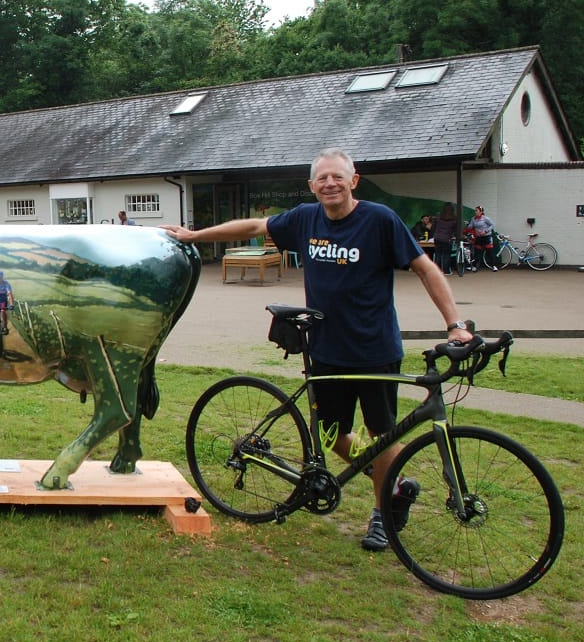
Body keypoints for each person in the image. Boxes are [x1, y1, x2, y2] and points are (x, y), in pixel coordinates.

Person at [161, 148, 473, 551]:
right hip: (325, 351)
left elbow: (425, 268)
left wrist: (455, 325)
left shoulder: (380, 220)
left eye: (337, 177)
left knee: (381, 435)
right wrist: (194, 236)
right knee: (331, 435)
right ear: (312, 186)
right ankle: (393, 482)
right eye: (322, 178)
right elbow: (255, 224)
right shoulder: (306, 218)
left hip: (374, 351)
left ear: (353, 180)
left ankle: (381, 515)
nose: (329, 184)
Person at [465, 205, 498, 271]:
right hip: (479, 238)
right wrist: (468, 224)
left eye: (477, 210)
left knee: (490, 252)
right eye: (475, 210)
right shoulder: (473, 219)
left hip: (486, 237)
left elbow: (492, 225)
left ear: (481, 212)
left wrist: (486, 231)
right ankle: (474, 266)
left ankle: (494, 266)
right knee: (477, 252)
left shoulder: (485, 218)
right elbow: (471, 226)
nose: (475, 212)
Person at [431, 203, 458, 275]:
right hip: (447, 238)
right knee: (446, 255)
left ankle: (436, 271)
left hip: (437, 238)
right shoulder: (454, 218)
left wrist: (433, 235)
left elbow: (433, 227)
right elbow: (456, 230)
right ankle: (446, 271)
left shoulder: (438, 216)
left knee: (438, 254)